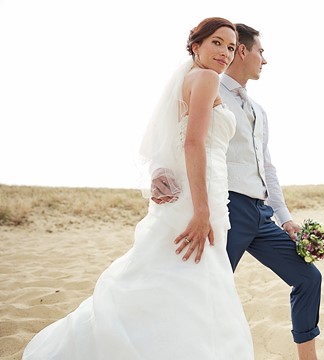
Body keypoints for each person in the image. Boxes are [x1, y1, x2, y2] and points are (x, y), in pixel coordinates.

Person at [22, 17, 254, 360]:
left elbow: (169, 139)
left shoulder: (187, 79)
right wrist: (202, 210)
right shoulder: (205, 79)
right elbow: (192, 144)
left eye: (231, 47)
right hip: (200, 197)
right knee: (191, 274)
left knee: (170, 272)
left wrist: (162, 173)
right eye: (217, 43)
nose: (225, 52)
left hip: (195, 193)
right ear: (196, 46)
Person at [153, 23, 322, 360]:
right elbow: (182, 137)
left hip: (260, 214)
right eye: (261, 51)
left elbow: (267, 168)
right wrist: (161, 173)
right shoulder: (207, 85)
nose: (265, 60)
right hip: (226, 208)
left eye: (229, 46)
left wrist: (284, 218)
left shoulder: (259, 110)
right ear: (245, 52)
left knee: (308, 278)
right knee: (206, 295)